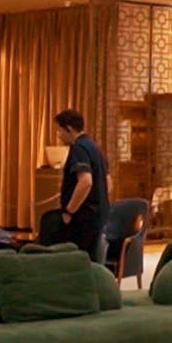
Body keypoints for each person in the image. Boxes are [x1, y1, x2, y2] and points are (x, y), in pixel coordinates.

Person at [53, 109, 110, 262]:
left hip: (83, 220)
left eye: (59, 130)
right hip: (99, 217)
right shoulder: (95, 147)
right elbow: (108, 183)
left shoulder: (78, 148)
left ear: (69, 129)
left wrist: (69, 211)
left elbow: (86, 181)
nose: (58, 135)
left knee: (73, 261)